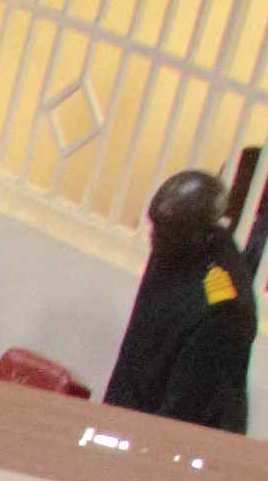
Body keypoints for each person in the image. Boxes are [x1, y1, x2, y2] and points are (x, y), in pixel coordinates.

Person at [109, 168, 259, 429]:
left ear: (196, 232)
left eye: (164, 230)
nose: (153, 237)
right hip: (140, 409)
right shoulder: (176, 253)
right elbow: (138, 348)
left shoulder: (222, 304)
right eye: (154, 226)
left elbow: (190, 404)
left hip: (186, 428)